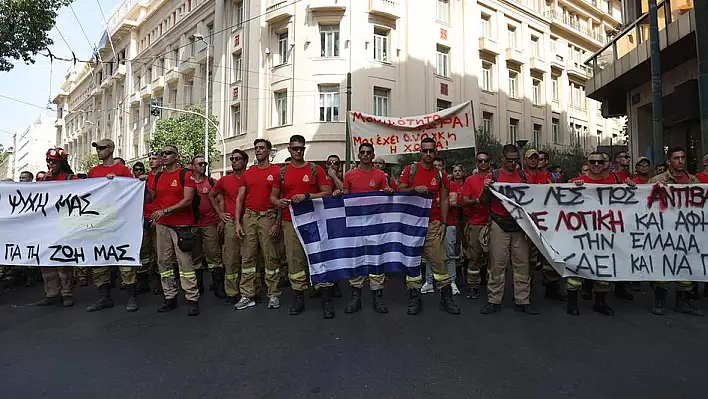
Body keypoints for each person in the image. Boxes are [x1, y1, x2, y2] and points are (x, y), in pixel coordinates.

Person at [270, 135, 333, 318]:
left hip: (314, 220)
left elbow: (327, 192)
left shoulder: (315, 169)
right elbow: (272, 197)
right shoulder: (281, 172)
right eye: (295, 148)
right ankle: (299, 297)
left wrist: (307, 196)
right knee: (294, 260)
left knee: (319, 257)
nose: (298, 151)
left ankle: (326, 298)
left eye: (301, 148)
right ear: (289, 149)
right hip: (291, 221)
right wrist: (278, 201)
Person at [397, 138, 460, 315]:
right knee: (412, 261)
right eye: (425, 151)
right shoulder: (410, 170)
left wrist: (444, 223)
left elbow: (445, 199)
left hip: (432, 222)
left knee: (438, 260)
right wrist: (413, 189)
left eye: (431, 151)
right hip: (411, 223)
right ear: (420, 152)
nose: (428, 154)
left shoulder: (440, 174)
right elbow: (399, 190)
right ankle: (414, 297)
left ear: (435, 152)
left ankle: (446, 298)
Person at [567, 152, 633, 316]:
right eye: (592, 162)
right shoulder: (575, 182)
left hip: (605, 232)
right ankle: (572, 301)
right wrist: (571, 189)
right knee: (576, 265)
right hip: (581, 232)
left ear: (605, 164)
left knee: (603, 266)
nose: (596, 165)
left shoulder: (615, 181)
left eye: (600, 162)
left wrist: (632, 189)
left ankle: (600, 301)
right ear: (587, 163)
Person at [332, 143, 394, 314]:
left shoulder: (381, 175)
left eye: (368, 152)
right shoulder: (350, 175)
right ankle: (355, 296)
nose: (366, 155)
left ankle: (377, 297)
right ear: (358, 155)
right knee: (356, 258)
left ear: (373, 155)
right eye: (362, 152)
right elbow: (345, 194)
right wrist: (339, 193)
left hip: (375, 223)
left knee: (376, 259)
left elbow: (387, 196)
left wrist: (387, 191)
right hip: (356, 223)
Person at [480, 144, 538, 315]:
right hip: (499, 223)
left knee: (522, 265)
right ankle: (494, 300)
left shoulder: (524, 177)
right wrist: (485, 189)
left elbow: (535, 199)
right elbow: (483, 202)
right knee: (497, 264)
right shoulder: (494, 177)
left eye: (515, 160)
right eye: (509, 160)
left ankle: (522, 300)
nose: (513, 163)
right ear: (502, 159)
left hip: (519, 225)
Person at [648, 147, 704, 317]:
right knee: (663, 264)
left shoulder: (693, 180)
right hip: (664, 231)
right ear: (669, 161)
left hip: (688, 231)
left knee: (686, 264)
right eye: (676, 158)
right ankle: (660, 300)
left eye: (682, 157)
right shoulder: (657, 180)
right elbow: (646, 203)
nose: (680, 161)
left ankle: (683, 300)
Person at [85, 139, 139, 313]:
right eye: (97, 149)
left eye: (101, 148)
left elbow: (132, 190)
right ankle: (104, 297)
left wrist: (117, 182)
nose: (98, 152)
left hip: (119, 221)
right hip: (99, 222)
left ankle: (131, 296)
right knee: (100, 260)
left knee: (124, 258)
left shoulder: (122, 170)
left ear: (111, 149)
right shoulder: (93, 172)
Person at [147, 145, 200, 316]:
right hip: (162, 225)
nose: (164, 155)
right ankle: (170, 297)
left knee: (185, 263)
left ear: (176, 156)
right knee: (164, 262)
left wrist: (165, 210)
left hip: (181, 225)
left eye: (168, 153)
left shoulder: (185, 175)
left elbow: (187, 200)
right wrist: (138, 185)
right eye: (162, 153)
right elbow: (150, 198)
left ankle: (192, 298)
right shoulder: (158, 176)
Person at [233, 139, 283, 310]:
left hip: (268, 217)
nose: (258, 151)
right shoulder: (248, 173)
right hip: (249, 218)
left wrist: (277, 222)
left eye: (262, 148)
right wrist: (238, 222)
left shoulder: (277, 172)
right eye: (256, 148)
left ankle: (273, 294)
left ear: (269, 151)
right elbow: (240, 198)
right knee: (247, 257)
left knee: (271, 257)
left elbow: (280, 201)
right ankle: (247, 295)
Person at [32, 148, 77, 308]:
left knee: (63, 260)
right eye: (49, 161)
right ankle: (51, 293)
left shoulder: (71, 178)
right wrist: (44, 182)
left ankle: (67, 293)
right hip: (46, 226)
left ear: (62, 163)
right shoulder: (43, 180)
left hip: (64, 225)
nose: (51, 164)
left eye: (54, 162)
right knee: (46, 260)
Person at [210, 149, 248, 304]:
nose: (234, 161)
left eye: (237, 159)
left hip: (249, 220)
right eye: (232, 159)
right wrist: (220, 214)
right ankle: (232, 292)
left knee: (249, 258)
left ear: (245, 161)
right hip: (231, 222)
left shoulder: (250, 177)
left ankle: (250, 291)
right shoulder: (225, 180)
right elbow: (211, 196)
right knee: (231, 258)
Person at [190, 155, 227, 299]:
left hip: (210, 223)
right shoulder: (187, 183)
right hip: (193, 224)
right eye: (199, 164)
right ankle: (198, 286)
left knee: (214, 255)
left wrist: (222, 218)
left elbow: (220, 200)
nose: (202, 166)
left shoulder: (211, 182)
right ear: (193, 166)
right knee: (195, 257)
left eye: (204, 163)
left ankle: (218, 286)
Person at [461, 152, 491, 300]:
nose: (483, 163)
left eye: (486, 160)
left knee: (494, 258)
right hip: (475, 223)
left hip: (493, 223)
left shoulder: (495, 178)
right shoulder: (469, 180)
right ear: (476, 162)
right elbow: (464, 200)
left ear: (489, 162)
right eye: (480, 161)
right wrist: (477, 201)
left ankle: (493, 287)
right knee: (474, 257)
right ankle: (473, 286)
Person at [139, 151, 163, 295]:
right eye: (150, 159)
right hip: (143, 217)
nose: (151, 161)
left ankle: (160, 283)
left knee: (160, 252)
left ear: (161, 161)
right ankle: (143, 282)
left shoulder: (163, 177)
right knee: (144, 251)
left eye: (154, 159)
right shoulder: (144, 177)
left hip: (158, 218)